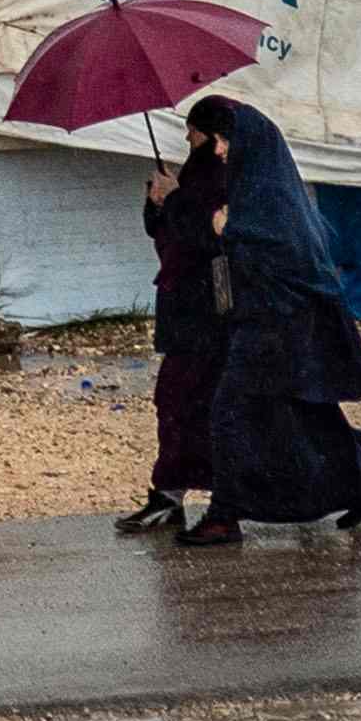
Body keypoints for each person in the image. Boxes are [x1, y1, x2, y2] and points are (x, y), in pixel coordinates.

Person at [173, 96, 361, 545]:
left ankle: (224, 515)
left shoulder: (267, 193)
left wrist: (227, 230)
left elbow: (277, 253)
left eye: (222, 140)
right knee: (300, 412)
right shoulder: (257, 185)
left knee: (230, 411)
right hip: (264, 322)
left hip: (278, 326)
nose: (218, 151)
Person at [120, 130, 228, 535]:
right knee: (177, 404)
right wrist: (160, 203)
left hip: (211, 317)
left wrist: (177, 198)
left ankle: (212, 503)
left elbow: (210, 236)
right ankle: (171, 495)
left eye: (195, 130)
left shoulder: (227, 179)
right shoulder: (198, 177)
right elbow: (169, 237)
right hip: (187, 315)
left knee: (192, 404)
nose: (188, 137)